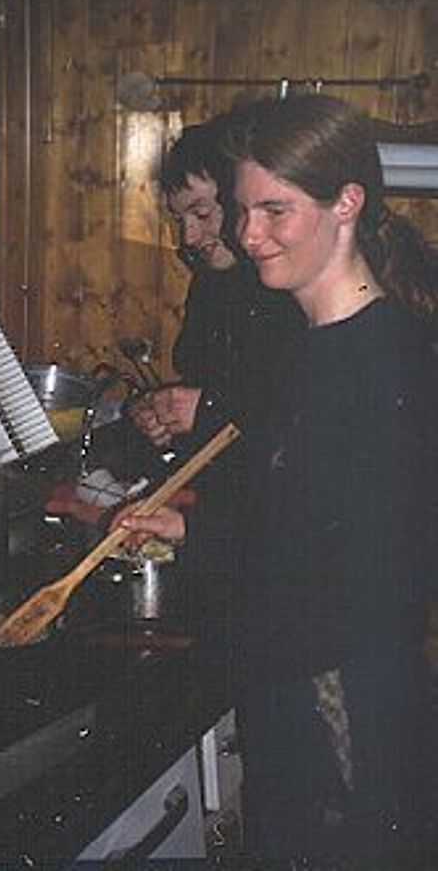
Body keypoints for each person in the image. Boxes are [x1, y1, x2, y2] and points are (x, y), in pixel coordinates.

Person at [114, 94, 438, 869]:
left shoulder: (383, 356)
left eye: (274, 211)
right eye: (240, 210)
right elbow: (299, 521)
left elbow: (370, 575)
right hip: (293, 682)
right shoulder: (307, 346)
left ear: (346, 204)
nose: (246, 234)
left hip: (342, 699)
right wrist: (186, 529)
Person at [128, 114, 302, 452]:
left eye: (202, 214)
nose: (189, 236)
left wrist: (208, 410)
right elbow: (207, 387)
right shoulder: (212, 282)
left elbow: (305, 416)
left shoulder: (291, 289)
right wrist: (159, 412)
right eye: (180, 220)